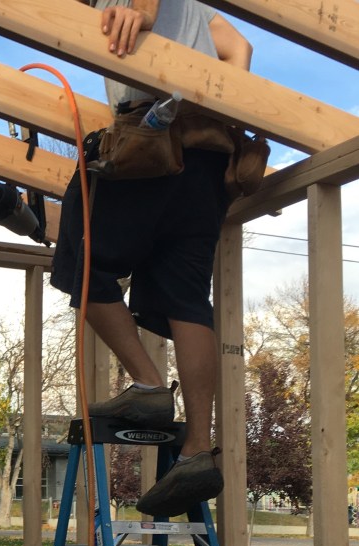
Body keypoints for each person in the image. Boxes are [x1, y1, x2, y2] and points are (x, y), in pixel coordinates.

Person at [51, 0, 252, 517]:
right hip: (209, 155)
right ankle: (197, 449)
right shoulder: (195, 8)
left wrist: (139, 11)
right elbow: (240, 46)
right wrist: (220, 106)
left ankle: (148, 385)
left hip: (152, 139)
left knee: (82, 263)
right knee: (186, 297)